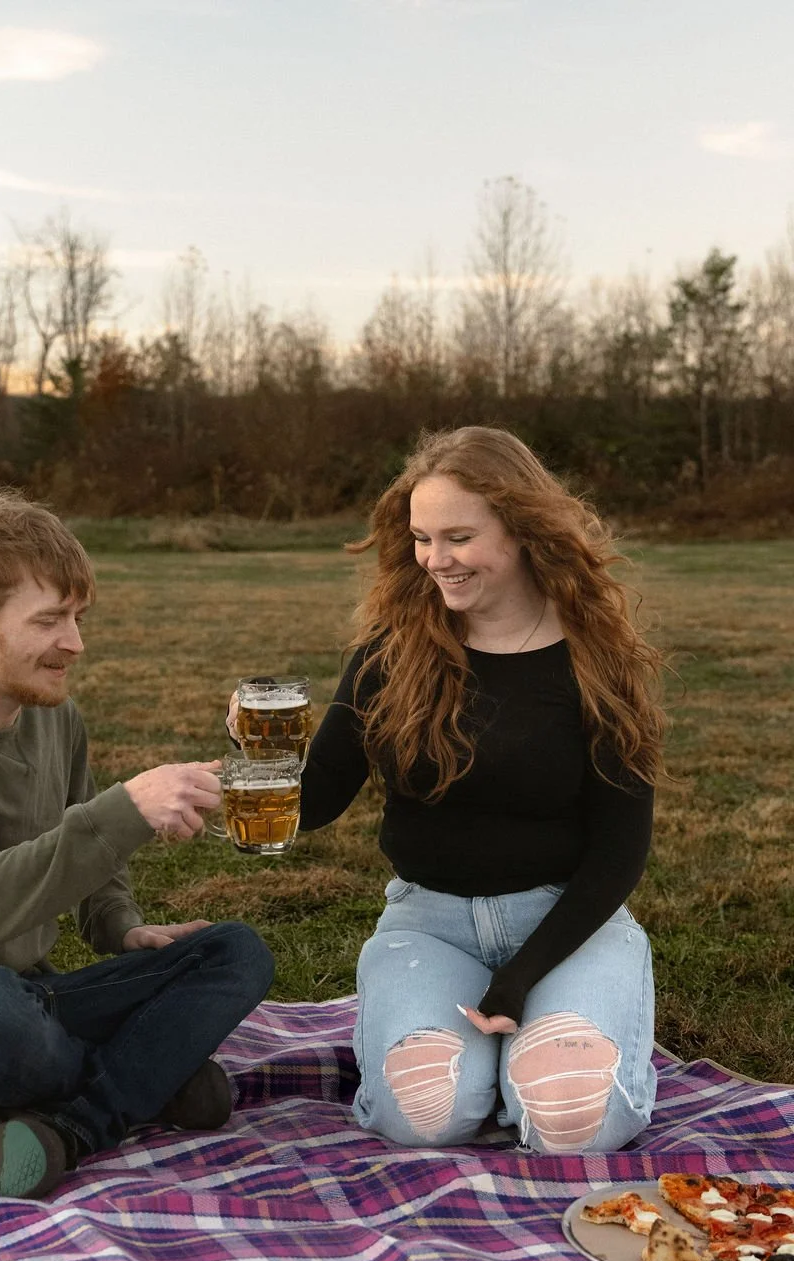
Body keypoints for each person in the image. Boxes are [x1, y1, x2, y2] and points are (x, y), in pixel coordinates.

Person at [0, 490, 274, 1200]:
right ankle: (140, 1077)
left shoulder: (55, 720)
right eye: (49, 620)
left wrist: (123, 927)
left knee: (236, 953)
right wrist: (126, 808)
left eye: (77, 618)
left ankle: (70, 1126)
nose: (75, 643)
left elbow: (93, 866)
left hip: (34, 1000)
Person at [246, 427, 666, 1154]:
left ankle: (542, 1060)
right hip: (428, 926)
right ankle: (494, 1066)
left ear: (522, 529)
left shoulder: (599, 658)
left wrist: (522, 978)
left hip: (569, 925)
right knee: (425, 1114)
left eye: (458, 537)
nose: (435, 560)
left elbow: (619, 854)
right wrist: (256, 749)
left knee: (570, 1119)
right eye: (421, 538)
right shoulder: (392, 651)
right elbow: (314, 803)